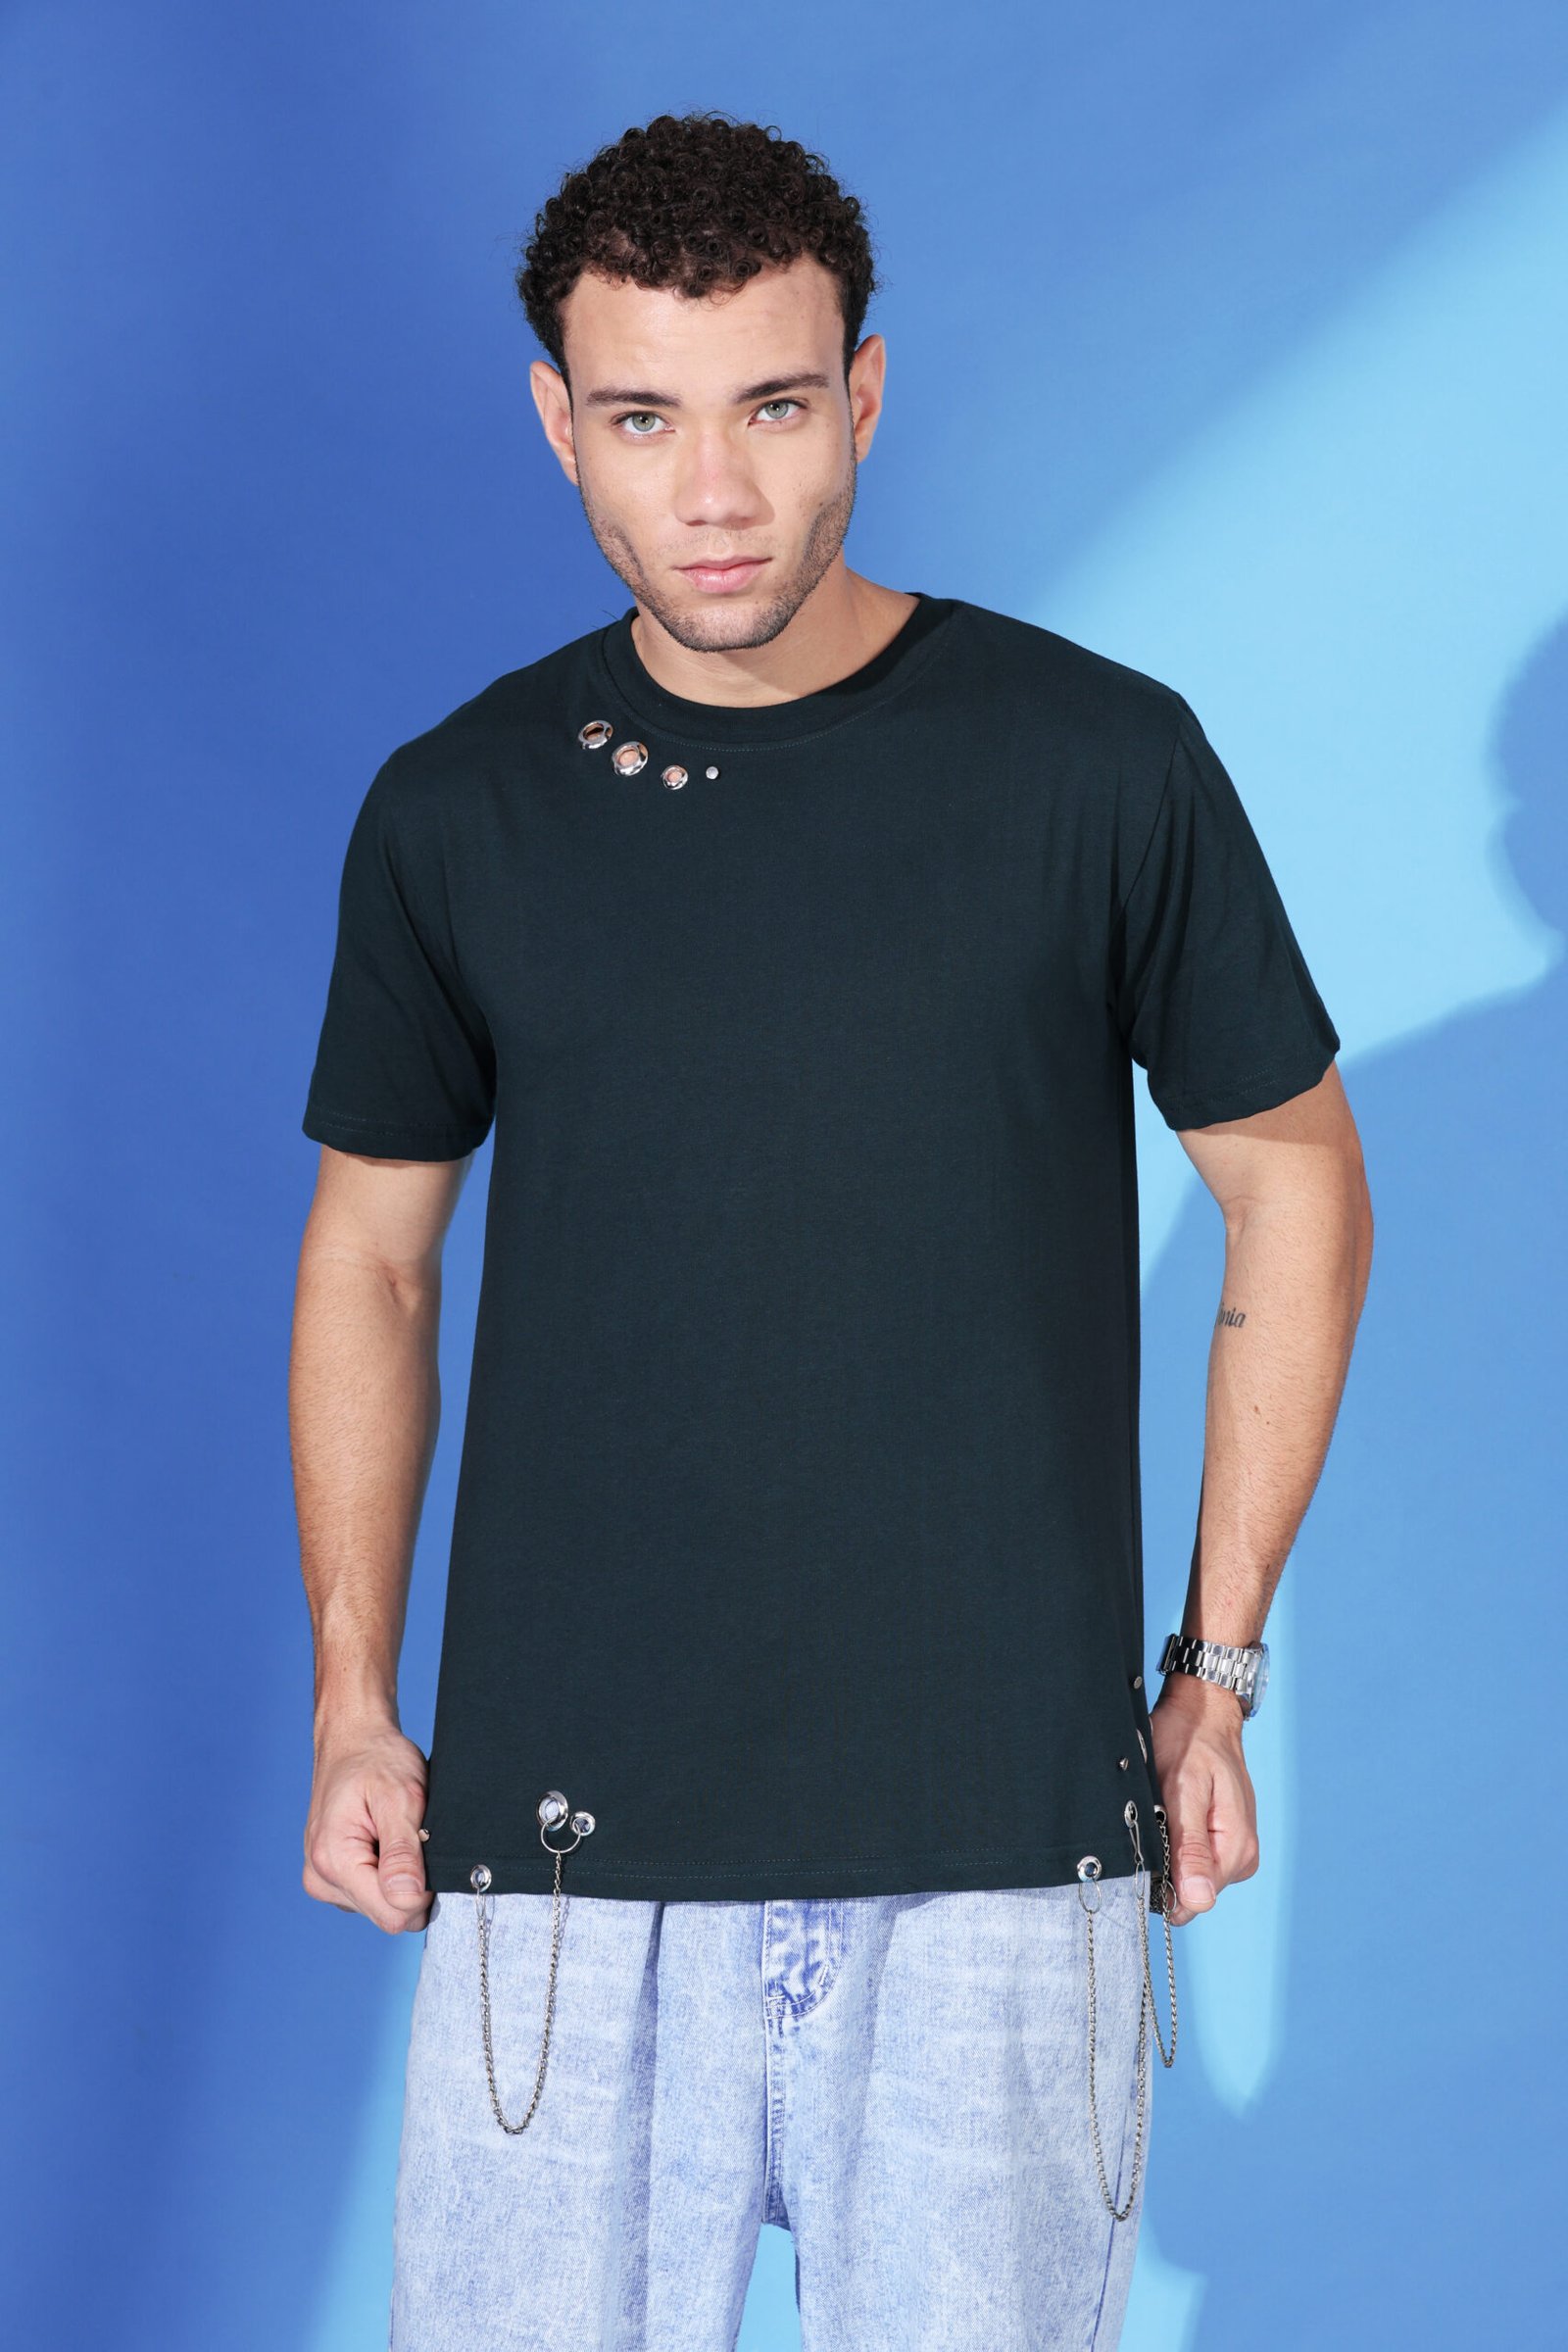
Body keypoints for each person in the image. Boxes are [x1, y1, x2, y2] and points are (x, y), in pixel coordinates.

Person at [290, 110, 1373, 2352]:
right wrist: (352, 1701)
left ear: (861, 395)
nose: (711, 490)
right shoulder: (458, 811)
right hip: (563, 1861)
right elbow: (371, 1259)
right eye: (642, 420)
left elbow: (1290, 1180)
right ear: (556, 424)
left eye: (772, 409)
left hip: (1002, 1848)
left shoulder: (1094, 763)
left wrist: (1215, 1669)